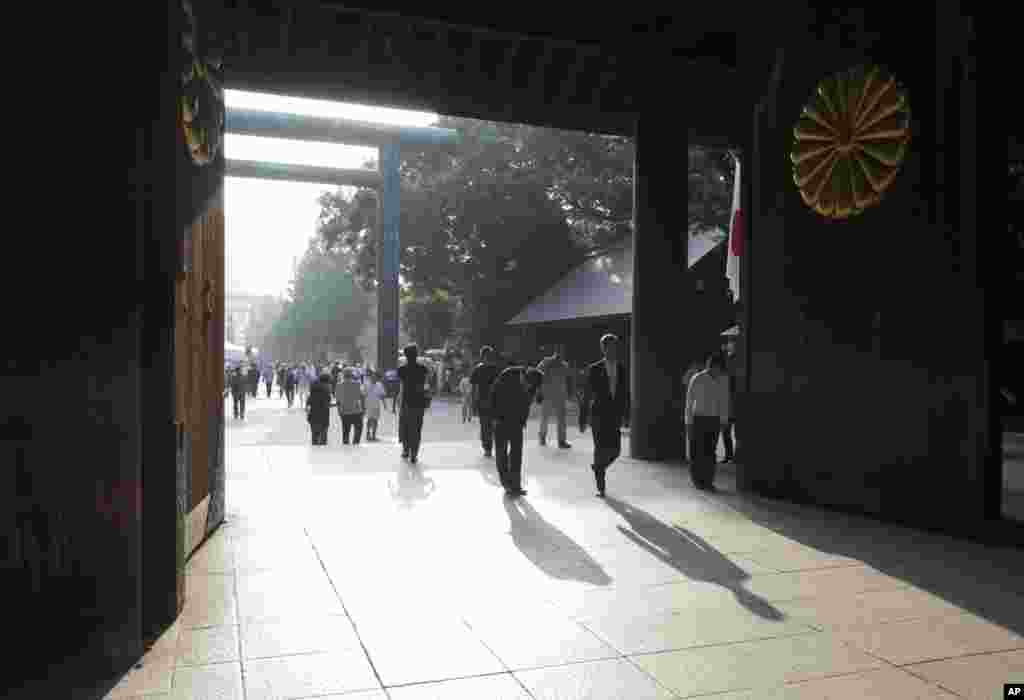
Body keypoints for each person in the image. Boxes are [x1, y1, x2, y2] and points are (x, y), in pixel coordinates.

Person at [580, 333, 630, 497]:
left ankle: (598, 467)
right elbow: (586, 394)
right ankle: (601, 486)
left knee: (615, 451)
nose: (612, 350)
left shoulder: (622, 368)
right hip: (598, 415)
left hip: (614, 415)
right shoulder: (594, 369)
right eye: (608, 347)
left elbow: (625, 393)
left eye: (614, 347)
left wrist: (626, 414)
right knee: (600, 449)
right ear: (603, 349)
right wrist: (583, 417)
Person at [490, 364, 544, 497]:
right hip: (500, 418)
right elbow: (494, 393)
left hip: (517, 421)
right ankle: (506, 483)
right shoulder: (508, 374)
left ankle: (515, 485)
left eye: (531, 387)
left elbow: (528, 403)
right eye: (527, 385)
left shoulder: (533, 384)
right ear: (525, 377)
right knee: (501, 452)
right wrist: (494, 416)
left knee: (516, 453)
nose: (528, 388)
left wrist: (523, 420)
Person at [684, 352, 730, 491]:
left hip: (714, 420)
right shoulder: (697, 378)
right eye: (714, 368)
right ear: (710, 366)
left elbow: (725, 401)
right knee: (697, 452)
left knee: (710, 452)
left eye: (719, 369)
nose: (716, 371)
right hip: (698, 419)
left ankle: (708, 481)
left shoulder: (723, 379)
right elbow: (689, 401)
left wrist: (724, 420)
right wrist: (688, 421)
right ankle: (697, 480)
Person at [397, 344, 431, 464]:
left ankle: (406, 450)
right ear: (416, 355)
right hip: (419, 403)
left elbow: (401, 388)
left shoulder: (401, 370)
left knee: (405, 426)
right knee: (416, 429)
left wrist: (398, 402)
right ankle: (414, 454)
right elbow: (426, 386)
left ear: (406, 356)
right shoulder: (423, 369)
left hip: (406, 402)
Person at [536, 346, 573, 448]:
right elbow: (537, 374)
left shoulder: (565, 365)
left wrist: (569, 392)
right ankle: (542, 437)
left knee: (561, 419)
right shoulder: (546, 362)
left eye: (562, 352)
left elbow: (568, 379)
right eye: (559, 352)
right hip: (547, 394)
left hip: (560, 395)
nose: (561, 354)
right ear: (555, 352)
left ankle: (561, 441)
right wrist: (538, 391)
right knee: (544, 417)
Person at [470, 346, 501, 458]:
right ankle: (489, 446)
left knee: (486, 426)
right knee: (490, 426)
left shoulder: (479, 369)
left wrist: (473, 403)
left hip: (486, 401)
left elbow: (474, 388)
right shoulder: (496, 369)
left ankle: (488, 447)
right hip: (491, 402)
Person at [680, 358, 705, 464]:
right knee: (692, 436)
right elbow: (685, 382)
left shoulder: (703, 375)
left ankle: (695, 457)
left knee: (694, 436)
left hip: (698, 409)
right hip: (695, 409)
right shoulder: (694, 374)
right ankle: (693, 457)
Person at [337, 368, 366, 445]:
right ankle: (355, 443)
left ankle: (346, 446)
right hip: (356, 411)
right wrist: (364, 409)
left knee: (346, 431)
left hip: (344, 411)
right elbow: (362, 397)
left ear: (343, 375)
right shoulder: (357, 384)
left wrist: (339, 411)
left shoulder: (339, 385)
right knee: (358, 429)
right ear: (352, 375)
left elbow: (338, 401)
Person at [306, 372, 333, 446]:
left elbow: (308, 404)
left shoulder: (313, 390)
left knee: (314, 437)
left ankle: (315, 453)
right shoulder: (326, 390)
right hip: (323, 416)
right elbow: (327, 403)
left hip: (313, 416)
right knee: (323, 438)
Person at [364, 371, 387, 441]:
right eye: (372, 377)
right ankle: (368, 433)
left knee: (375, 420)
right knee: (369, 419)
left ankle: (373, 435)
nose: (373, 378)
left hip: (376, 405)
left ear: (377, 378)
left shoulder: (380, 385)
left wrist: (384, 404)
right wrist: (362, 405)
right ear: (370, 377)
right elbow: (363, 394)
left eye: (375, 377)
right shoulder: (366, 384)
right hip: (368, 404)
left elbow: (382, 395)